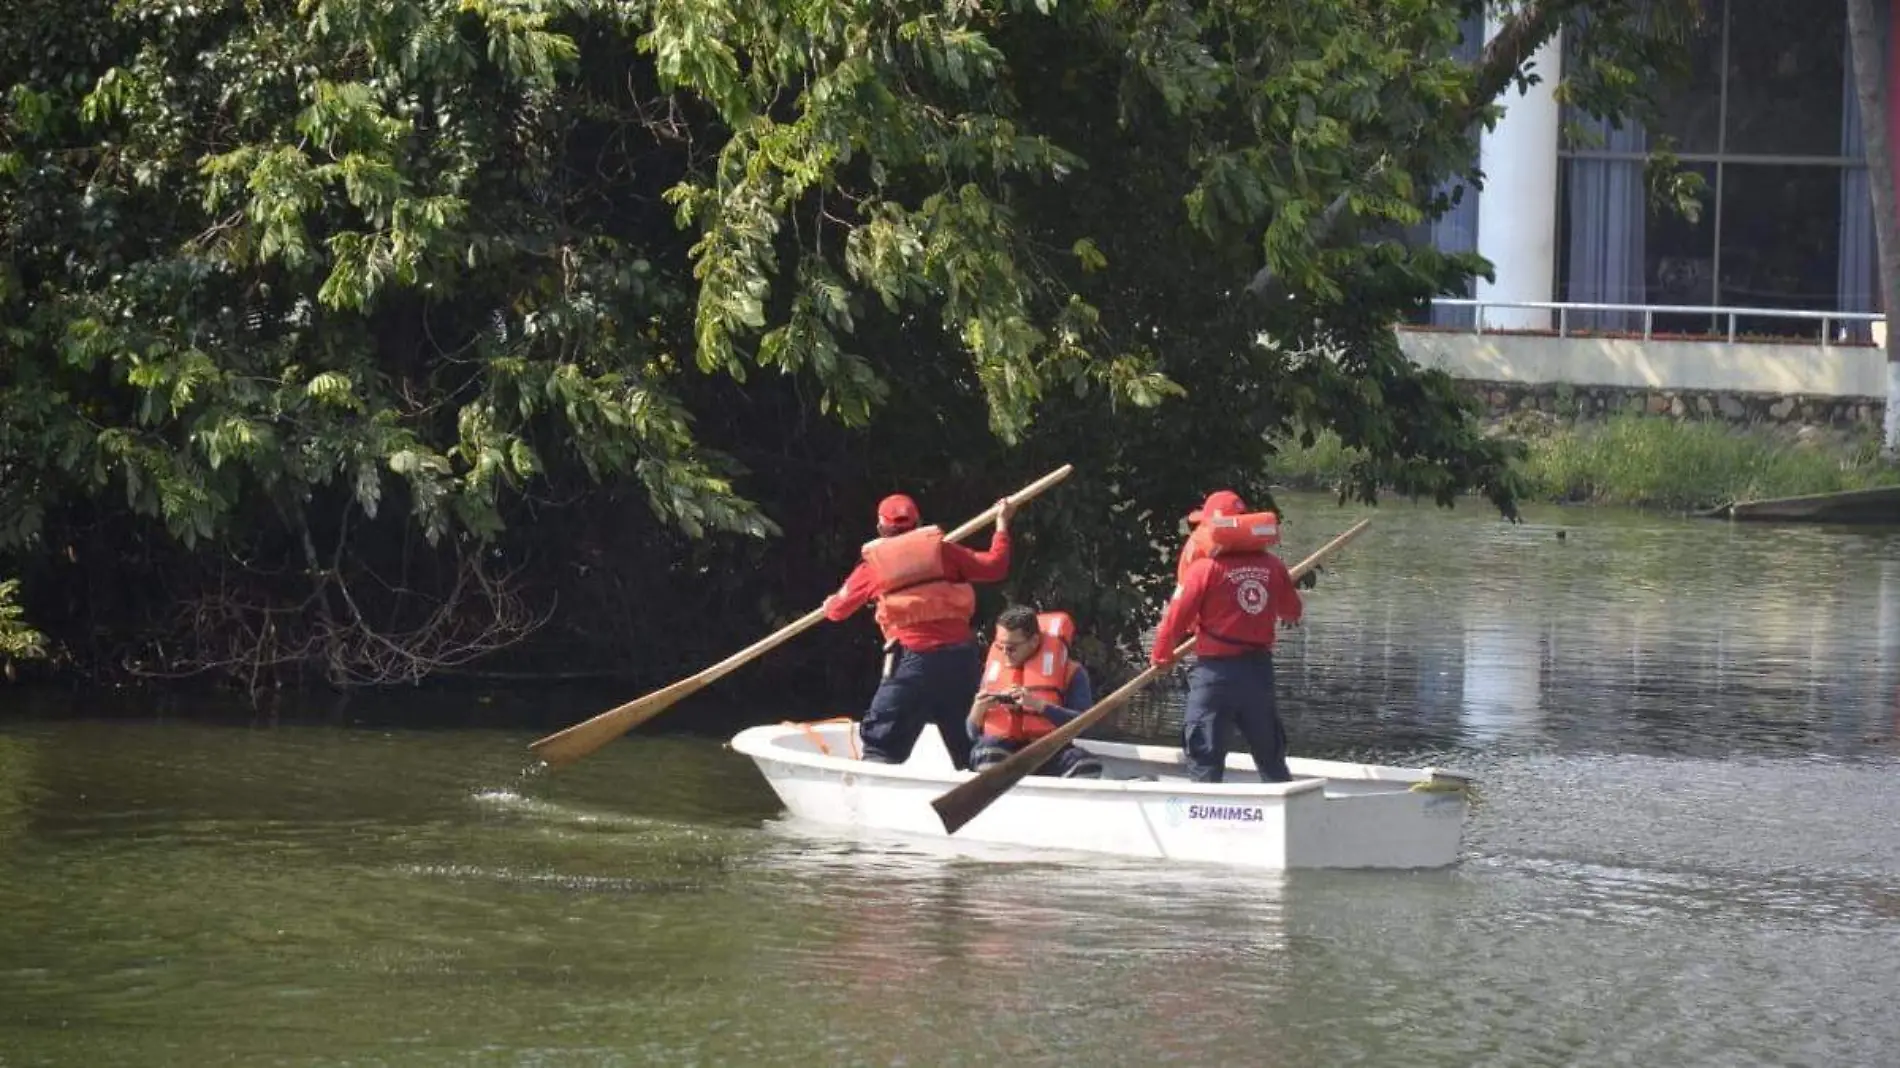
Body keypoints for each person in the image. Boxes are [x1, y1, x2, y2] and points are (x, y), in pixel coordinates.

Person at [823, 491, 1016, 768]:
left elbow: (837, 611)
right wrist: (1001, 524)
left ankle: (869, 794)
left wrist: (830, 603)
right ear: (919, 522)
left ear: (880, 528)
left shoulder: (873, 566)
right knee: (970, 745)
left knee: (881, 744)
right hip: (960, 663)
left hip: (913, 664)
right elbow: (996, 567)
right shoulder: (944, 551)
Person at [1150, 492, 1303, 783]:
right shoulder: (1272, 567)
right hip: (1258, 675)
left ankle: (1205, 820)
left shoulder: (1203, 570)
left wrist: (1161, 655)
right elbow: (1293, 612)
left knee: (1205, 759)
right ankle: (1285, 812)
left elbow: (1174, 619)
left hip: (1215, 676)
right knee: (1271, 759)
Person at [965, 605, 1103, 778]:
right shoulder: (995, 669)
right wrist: (977, 711)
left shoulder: (1073, 673)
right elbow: (972, 734)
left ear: (1034, 641)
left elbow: (1084, 727)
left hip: (1049, 752)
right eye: (1000, 647)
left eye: (1012, 647)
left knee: (1086, 765)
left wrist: (1038, 705)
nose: (1005, 653)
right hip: (1004, 751)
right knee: (986, 752)